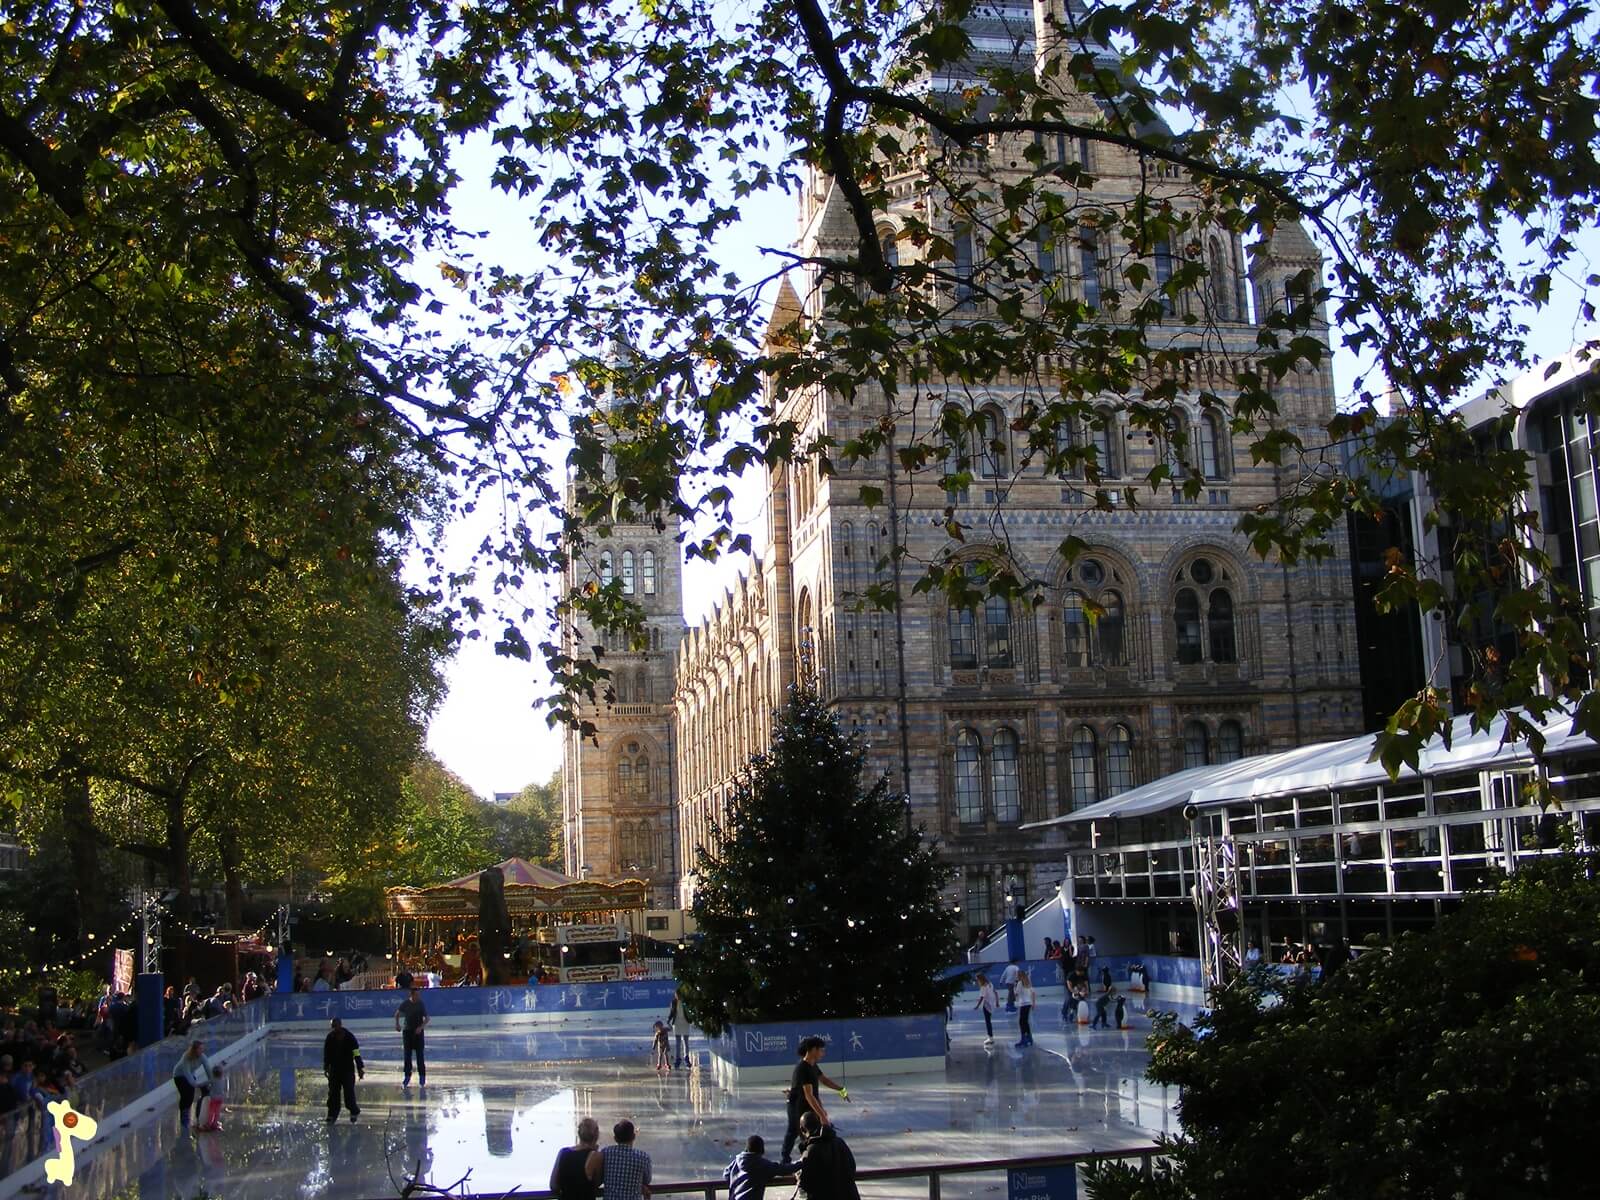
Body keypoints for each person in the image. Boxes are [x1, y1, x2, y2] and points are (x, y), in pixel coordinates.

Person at [782, 1035, 847, 1161]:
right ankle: (786, 1159)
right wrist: (822, 1114)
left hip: (807, 1102)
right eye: (821, 1050)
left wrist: (840, 1089)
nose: (823, 1053)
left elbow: (824, 1080)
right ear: (813, 1050)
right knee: (795, 1130)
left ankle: (810, 1155)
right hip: (796, 1104)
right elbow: (808, 1094)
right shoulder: (802, 1068)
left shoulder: (813, 1065)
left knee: (809, 1129)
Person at [796, 1110, 860, 1200]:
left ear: (802, 1130)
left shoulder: (811, 1151)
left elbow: (806, 1184)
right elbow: (852, 1166)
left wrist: (799, 1176)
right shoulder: (839, 1142)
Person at [586, 1118, 652, 1200]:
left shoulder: (606, 1153)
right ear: (633, 1136)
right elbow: (647, 1180)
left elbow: (599, 1177)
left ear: (615, 1138)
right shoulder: (643, 1157)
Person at [725, 1134, 796, 1200]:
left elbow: (726, 1174)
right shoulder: (761, 1164)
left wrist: (736, 1181)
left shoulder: (736, 1161)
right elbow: (782, 1169)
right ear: (762, 1150)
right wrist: (800, 1163)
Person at [171, 1040, 220, 1130]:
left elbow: (208, 1069)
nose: (202, 1051)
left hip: (191, 1075)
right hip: (179, 1076)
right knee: (186, 1095)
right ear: (195, 1050)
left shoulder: (202, 1057)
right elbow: (187, 1073)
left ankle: (193, 1115)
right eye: (200, 1049)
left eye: (202, 1049)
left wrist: (212, 1081)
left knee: (191, 1095)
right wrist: (195, 1084)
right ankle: (184, 1116)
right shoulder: (186, 1057)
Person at [550, 1117, 601, 1200]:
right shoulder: (595, 1156)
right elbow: (597, 1183)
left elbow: (553, 1186)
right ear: (596, 1135)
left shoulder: (563, 1152)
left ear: (579, 1134)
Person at [394, 986, 429, 1087]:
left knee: (420, 1056)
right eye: (417, 994)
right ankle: (407, 1077)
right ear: (412, 994)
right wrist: (397, 1024)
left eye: (419, 994)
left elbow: (427, 1018)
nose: (418, 996)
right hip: (407, 1032)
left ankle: (422, 1078)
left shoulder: (420, 1004)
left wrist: (421, 1027)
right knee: (407, 1056)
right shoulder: (406, 1004)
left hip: (418, 1033)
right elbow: (397, 1014)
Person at [973, 973, 998, 1045]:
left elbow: (982, 997)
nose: (977, 981)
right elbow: (995, 992)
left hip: (987, 1005)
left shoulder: (983, 987)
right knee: (988, 1021)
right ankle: (990, 1037)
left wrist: (977, 1006)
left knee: (988, 1022)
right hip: (991, 1003)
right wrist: (997, 1002)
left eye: (977, 980)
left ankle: (990, 1037)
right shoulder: (990, 984)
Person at [667, 991, 689, 1069]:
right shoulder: (673, 1002)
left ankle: (686, 1058)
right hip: (677, 1023)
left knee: (685, 1041)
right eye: (676, 995)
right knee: (678, 1043)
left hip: (685, 1022)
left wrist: (691, 1019)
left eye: (679, 995)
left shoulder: (686, 1002)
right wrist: (669, 1019)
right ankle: (678, 1059)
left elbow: (689, 1012)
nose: (678, 996)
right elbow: (672, 1012)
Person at [1014, 970, 1035, 1047]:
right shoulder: (1028, 982)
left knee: (1021, 1022)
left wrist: (1014, 987)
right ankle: (1029, 1038)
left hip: (1023, 1004)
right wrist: (1033, 1003)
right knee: (1025, 1022)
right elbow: (1033, 993)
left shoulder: (1019, 983)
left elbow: (1016, 994)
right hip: (1028, 1003)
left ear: (1019, 976)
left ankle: (1024, 1039)